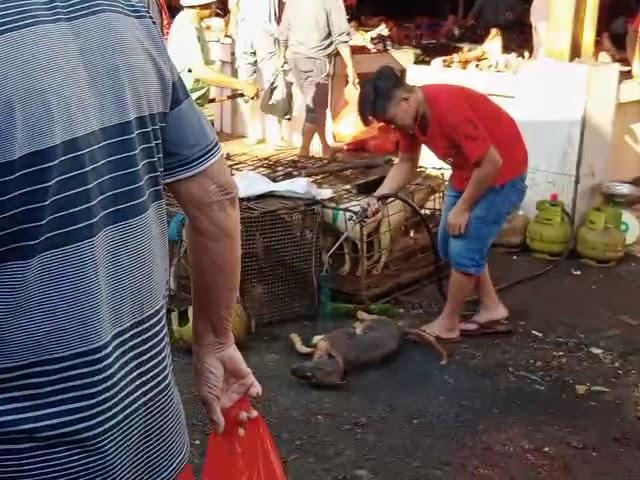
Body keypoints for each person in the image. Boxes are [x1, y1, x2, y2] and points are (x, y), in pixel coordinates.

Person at [0, 1, 260, 479]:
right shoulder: (126, 15)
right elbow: (217, 194)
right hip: (148, 436)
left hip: (28, 455)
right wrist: (216, 339)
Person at [358, 66, 528, 342]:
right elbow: (406, 162)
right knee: (449, 245)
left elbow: (491, 162)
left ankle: (449, 323)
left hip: (502, 174)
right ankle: (491, 308)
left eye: (391, 120)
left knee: (464, 246)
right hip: (467, 173)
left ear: (405, 100)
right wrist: (378, 196)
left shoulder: (446, 108)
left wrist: (463, 208)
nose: (392, 127)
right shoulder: (411, 119)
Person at [278, 0, 359, 158]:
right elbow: (340, 37)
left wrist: (282, 56)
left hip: (295, 57)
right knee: (315, 109)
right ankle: (304, 151)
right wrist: (351, 67)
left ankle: (324, 146)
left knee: (317, 107)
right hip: (315, 59)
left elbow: (283, 30)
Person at [168, 0, 259, 108]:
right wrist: (242, 85)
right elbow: (200, 72)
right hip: (184, 104)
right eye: (212, 4)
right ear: (199, 6)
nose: (216, 7)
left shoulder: (191, 23)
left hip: (190, 102)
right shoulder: (186, 27)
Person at [229, 0, 287, 146]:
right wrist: (233, 23)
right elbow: (233, 5)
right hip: (245, 31)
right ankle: (253, 130)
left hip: (266, 30)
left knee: (273, 79)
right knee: (246, 81)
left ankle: (274, 132)